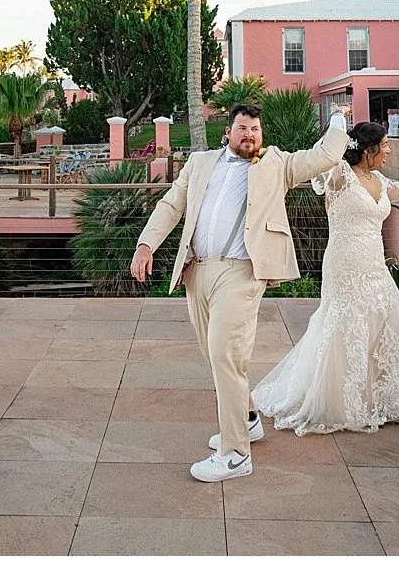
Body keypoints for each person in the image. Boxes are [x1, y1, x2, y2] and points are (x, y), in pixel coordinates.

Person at [129, 102, 351, 482]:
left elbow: (327, 154)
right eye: (243, 128)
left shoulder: (276, 164)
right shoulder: (199, 164)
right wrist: (146, 244)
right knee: (216, 356)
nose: (250, 134)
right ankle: (247, 419)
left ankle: (235, 454)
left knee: (224, 355)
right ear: (227, 133)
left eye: (256, 129)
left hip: (242, 272)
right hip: (197, 271)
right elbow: (171, 204)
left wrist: (338, 117)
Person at [252, 122, 399, 437]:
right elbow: (324, 156)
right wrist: (340, 121)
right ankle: (343, 403)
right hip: (344, 264)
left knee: (389, 324)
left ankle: (386, 401)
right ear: (368, 150)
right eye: (385, 145)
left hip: (374, 264)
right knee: (345, 327)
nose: (389, 151)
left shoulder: (379, 180)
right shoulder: (340, 175)